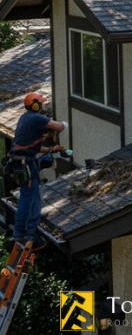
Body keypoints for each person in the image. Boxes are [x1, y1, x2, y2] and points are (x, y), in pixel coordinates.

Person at [9, 92, 67, 251]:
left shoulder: (24, 118)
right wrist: (64, 124)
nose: (41, 106)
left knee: (34, 195)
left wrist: (50, 149)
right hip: (26, 164)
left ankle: (31, 224)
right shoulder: (36, 118)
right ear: (35, 105)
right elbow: (59, 126)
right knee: (27, 197)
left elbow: (31, 146)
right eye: (39, 103)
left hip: (23, 162)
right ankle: (23, 232)